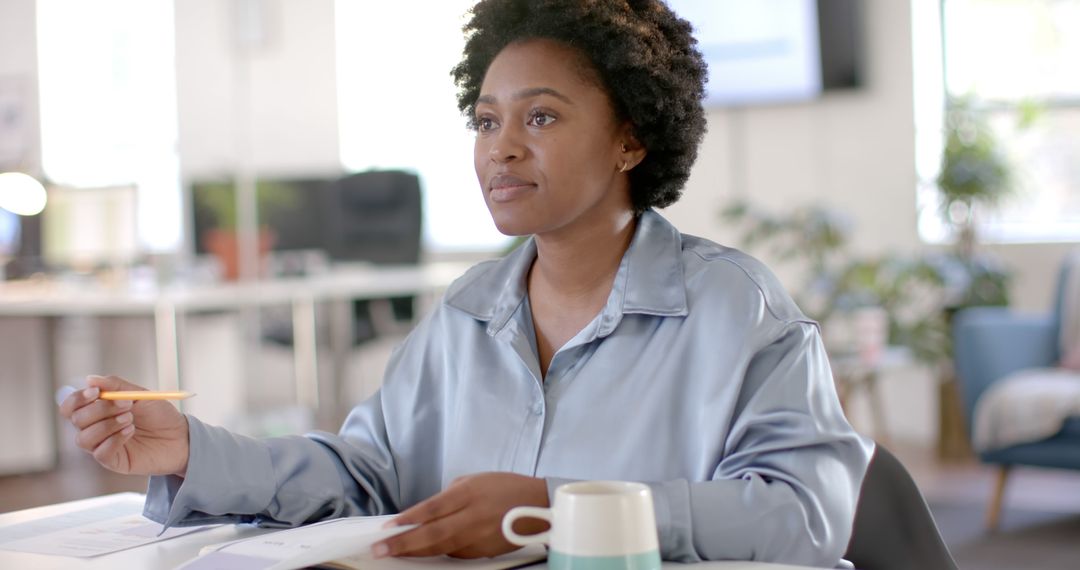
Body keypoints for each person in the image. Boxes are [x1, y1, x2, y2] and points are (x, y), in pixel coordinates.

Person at [59, 0, 873, 566]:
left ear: (631, 139)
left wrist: (553, 509)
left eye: (541, 117)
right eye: (486, 120)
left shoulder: (738, 309)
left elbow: (802, 517)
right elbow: (368, 474)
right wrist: (194, 451)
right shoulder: (468, 312)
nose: (500, 149)